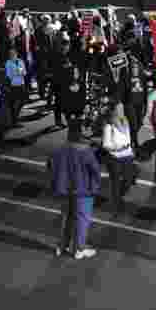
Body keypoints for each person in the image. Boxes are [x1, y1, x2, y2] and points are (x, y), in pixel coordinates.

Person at [49, 126, 102, 259]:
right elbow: (95, 171)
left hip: (64, 190)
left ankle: (62, 246)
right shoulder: (86, 152)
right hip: (83, 191)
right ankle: (79, 249)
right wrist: (94, 188)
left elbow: (50, 166)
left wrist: (57, 182)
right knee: (82, 220)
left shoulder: (59, 150)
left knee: (66, 217)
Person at [101, 103, 134, 217]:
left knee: (128, 180)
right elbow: (106, 145)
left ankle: (118, 196)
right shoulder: (109, 126)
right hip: (115, 158)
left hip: (127, 156)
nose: (122, 111)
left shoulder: (125, 122)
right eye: (119, 109)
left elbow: (128, 138)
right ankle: (115, 206)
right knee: (115, 182)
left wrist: (130, 149)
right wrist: (117, 148)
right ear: (114, 111)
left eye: (122, 109)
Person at [4, 48, 26, 126]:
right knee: (13, 103)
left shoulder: (21, 61)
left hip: (22, 84)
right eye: (10, 54)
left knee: (22, 101)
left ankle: (15, 117)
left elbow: (24, 72)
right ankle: (14, 120)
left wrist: (18, 72)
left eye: (13, 53)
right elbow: (8, 75)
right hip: (13, 85)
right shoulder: (8, 63)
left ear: (16, 54)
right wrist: (18, 72)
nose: (12, 55)